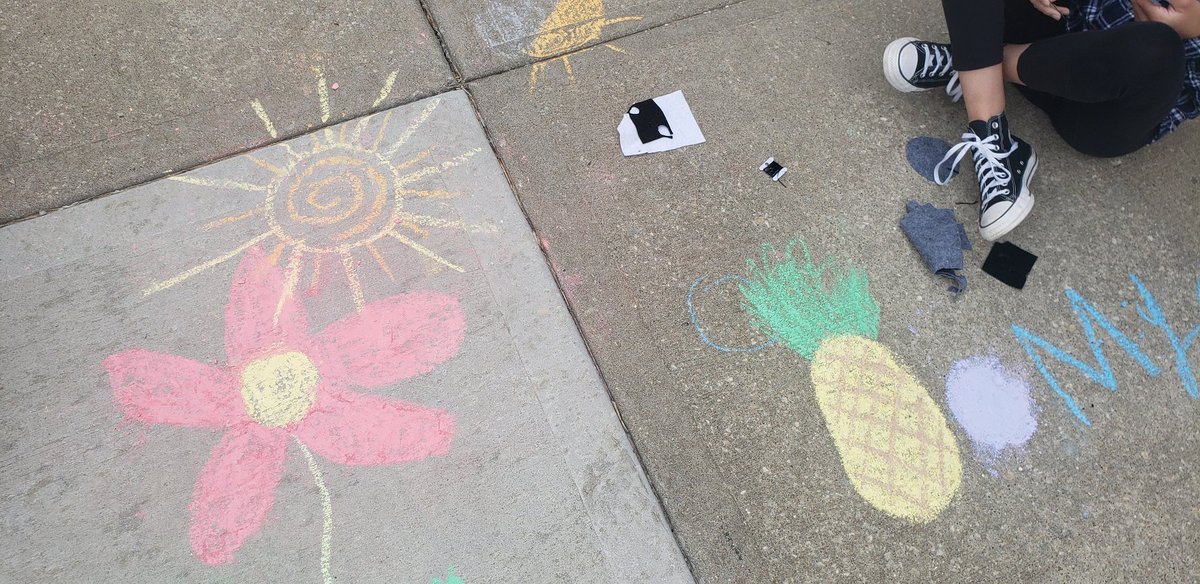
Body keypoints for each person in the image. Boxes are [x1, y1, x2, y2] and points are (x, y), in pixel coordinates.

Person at [883, 0, 1199, 241]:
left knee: (1158, 48)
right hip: (1050, 28)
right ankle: (992, 131)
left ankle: (974, 64)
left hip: (1101, 112)